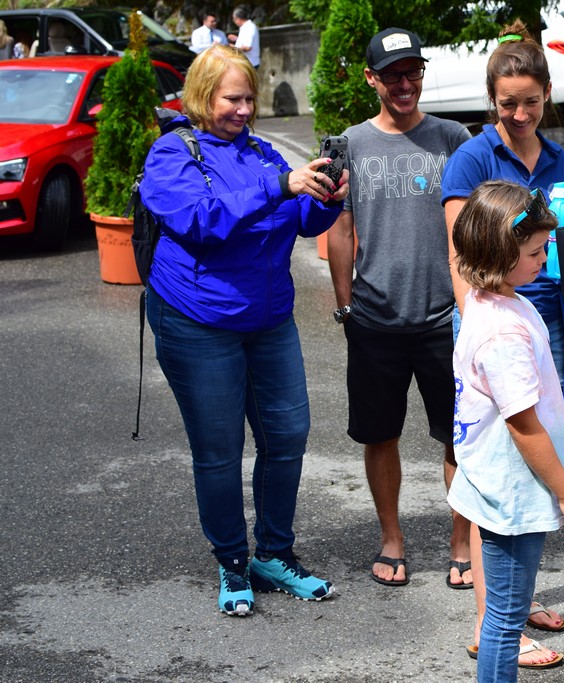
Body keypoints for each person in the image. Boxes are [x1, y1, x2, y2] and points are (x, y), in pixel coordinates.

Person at [140, 44, 347, 617]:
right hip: (198, 321)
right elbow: (200, 221)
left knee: (287, 437)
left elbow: (299, 220)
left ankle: (273, 555)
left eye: (250, 97)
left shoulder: (260, 153)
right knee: (219, 450)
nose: (245, 109)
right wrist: (280, 187)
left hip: (269, 318)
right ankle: (233, 562)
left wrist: (327, 198)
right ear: (204, 97)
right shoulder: (170, 154)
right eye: (234, 98)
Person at [441, 19, 564, 665]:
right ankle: (500, 622)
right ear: (492, 99)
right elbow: (463, 247)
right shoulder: (472, 160)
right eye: (507, 102)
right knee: (506, 550)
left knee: (542, 430)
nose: (519, 113)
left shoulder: (558, 163)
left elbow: (544, 407)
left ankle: (510, 606)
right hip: (498, 320)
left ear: (547, 97)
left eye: (531, 102)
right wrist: (478, 324)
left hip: (532, 308)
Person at [325, 27, 473, 590]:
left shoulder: (454, 139)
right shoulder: (350, 144)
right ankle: (392, 537)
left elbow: (481, 218)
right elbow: (340, 229)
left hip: (445, 317)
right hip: (375, 319)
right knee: (379, 434)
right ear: (372, 79)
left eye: (413, 72)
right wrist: (346, 308)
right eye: (393, 75)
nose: (405, 84)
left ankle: (462, 542)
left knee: (460, 437)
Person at [448, 180, 564, 682]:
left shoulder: (501, 301)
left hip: (509, 483)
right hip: (513, 492)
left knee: (505, 610)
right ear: (499, 252)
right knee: (504, 619)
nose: (545, 259)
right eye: (535, 251)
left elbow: (546, 402)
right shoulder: (503, 331)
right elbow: (523, 424)